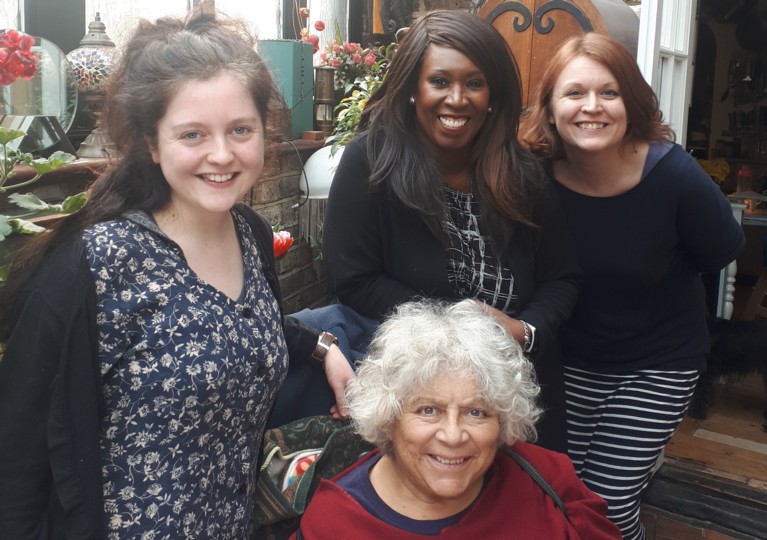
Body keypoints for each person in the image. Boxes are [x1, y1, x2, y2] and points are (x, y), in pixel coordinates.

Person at [0, 13, 353, 539]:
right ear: (152, 142)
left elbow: (235, 324)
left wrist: (325, 349)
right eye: (193, 134)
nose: (221, 154)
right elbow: (17, 457)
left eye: (240, 130)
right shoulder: (96, 264)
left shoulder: (249, 234)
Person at [322, 9, 581, 453]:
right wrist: (465, 330)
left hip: (519, 394)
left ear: (493, 94)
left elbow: (563, 277)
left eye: (474, 83)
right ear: (411, 89)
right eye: (440, 81)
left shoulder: (523, 172)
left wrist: (525, 331)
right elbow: (354, 279)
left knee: (525, 514)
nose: (457, 98)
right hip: (419, 397)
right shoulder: (371, 164)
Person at [520, 32, 746, 539]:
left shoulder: (673, 174)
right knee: (562, 492)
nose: (591, 107)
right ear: (551, 108)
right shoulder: (534, 177)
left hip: (657, 362)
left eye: (609, 92)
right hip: (568, 362)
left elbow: (723, 249)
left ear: (631, 102)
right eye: (574, 93)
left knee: (610, 507)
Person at [295, 299, 622, 539]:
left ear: (503, 422)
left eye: (476, 412)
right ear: (389, 418)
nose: (453, 435)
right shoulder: (332, 524)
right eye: (428, 410)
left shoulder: (549, 480)